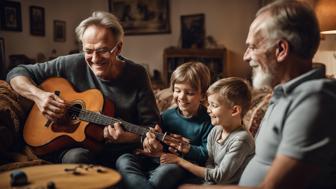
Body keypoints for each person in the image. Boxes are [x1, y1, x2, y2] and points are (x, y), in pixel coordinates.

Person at [180, 1, 336, 189]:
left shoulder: (314, 100)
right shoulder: (282, 94)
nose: (245, 56)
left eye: (252, 47)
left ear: (281, 50)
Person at [6, 11, 160, 165]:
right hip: (72, 146)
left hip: (119, 153)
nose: (95, 59)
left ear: (118, 48)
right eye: (88, 51)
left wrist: (127, 137)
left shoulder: (137, 74)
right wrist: (39, 96)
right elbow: (17, 72)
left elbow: (152, 127)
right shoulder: (71, 63)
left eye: (102, 51)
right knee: (77, 157)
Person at [116, 62, 213, 189]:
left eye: (189, 93)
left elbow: (206, 154)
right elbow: (155, 143)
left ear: (203, 95)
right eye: (177, 91)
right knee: (123, 159)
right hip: (155, 158)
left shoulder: (209, 120)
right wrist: (150, 142)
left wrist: (187, 148)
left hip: (178, 164)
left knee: (165, 174)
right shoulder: (166, 115)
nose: (181, 97)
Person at [160, 77, 255, 185]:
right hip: (212, 183)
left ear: (234, 110)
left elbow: (220, 177)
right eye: (208, 104)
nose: (208, 110)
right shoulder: (215, 131)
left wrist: (179, 161)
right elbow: (209, 164)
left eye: (214, 106)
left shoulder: (242, 140)